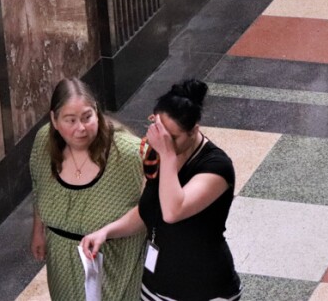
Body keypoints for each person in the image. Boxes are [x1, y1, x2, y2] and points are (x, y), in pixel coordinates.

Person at [82, 79, 242, 301]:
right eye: (160, 131)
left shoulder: (216, 167)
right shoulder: (158, 155)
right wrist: (106, 232)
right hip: (155, 287)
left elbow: (172, 211)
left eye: (172, 137)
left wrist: (167, 155)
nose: (163, 141)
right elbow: (149, 210)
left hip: (205, 291)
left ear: (195, 129)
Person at [30, 77, 145, 300]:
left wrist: (107, 232)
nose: (80, 128)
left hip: (116, 264)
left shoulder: (129, 152)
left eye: (87, 117)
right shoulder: (44, 141)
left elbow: (156, 205)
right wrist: (38, 231)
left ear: (97, 112)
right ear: (54, 120)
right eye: (70, 120)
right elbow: (39, 186)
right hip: (62, 265)